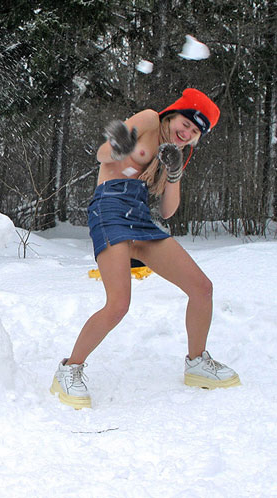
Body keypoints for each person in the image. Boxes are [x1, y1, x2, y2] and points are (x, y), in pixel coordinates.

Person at [50, 88, 240, 409]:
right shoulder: (150, 120)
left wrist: (174, 173)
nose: (187, 133)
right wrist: (123, 145)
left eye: (194, 132)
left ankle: (196, 362)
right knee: (118, 304)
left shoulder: (174, 153)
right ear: (173, 115)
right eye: (185, 124)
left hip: (139, 216)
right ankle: (69, 370)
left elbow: (167, 211)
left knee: (202, 288)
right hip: (109, 207)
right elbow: (102, 155)